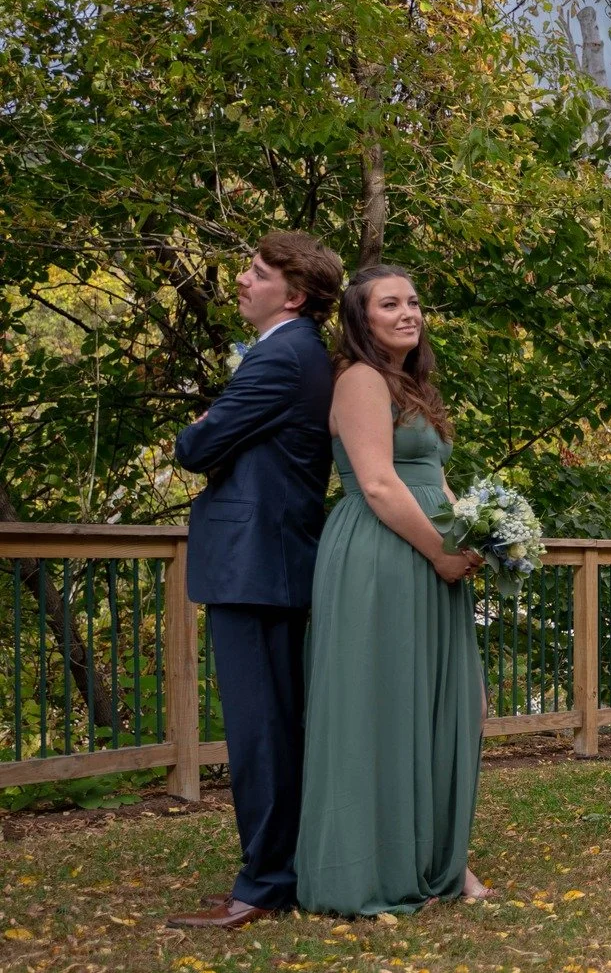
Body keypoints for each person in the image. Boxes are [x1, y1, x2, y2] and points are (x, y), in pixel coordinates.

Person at [293, 265, 489, 916]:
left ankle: (438, 857)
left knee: (444, 701)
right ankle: (373, 864)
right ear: (361, 317)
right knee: (383, 702)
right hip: (383, 552)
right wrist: (438, 551)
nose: (408, 312)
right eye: (389, 304)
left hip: (433, 553)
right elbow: (378, 483)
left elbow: (433, 477)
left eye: (413, 302)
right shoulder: (359, 378)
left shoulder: (414, 386)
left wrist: (479, 535)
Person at [166, 233, 344, 931]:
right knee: (271, 725)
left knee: (260, 731)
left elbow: (196, 447)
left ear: (293, 296)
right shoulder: (298, 352)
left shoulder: (281, 356)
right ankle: (280, 870)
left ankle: (267, 882)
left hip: (258, 564)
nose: (241, 279)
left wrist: (204, 430)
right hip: (269, 561)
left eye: (257, 272)